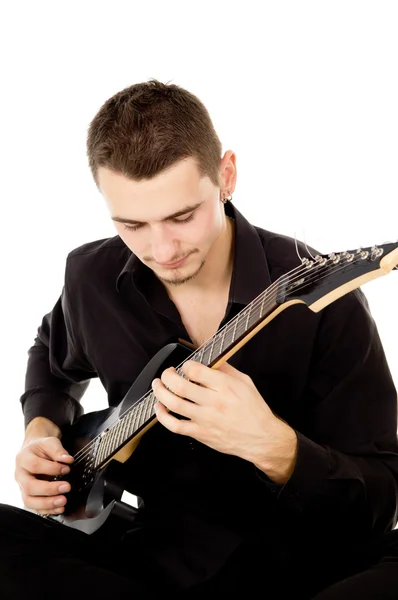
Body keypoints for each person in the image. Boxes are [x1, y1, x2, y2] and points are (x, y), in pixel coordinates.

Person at [1, 79, 398, 599]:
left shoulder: (320, 301)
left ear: (226, 175)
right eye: (131, 224)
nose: (160, 248)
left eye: (182, 216)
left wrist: (273, 446)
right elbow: (51, 361)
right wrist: (40, 433)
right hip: (154, 559)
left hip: (300, 566)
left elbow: (381, 499)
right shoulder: (91, 276)